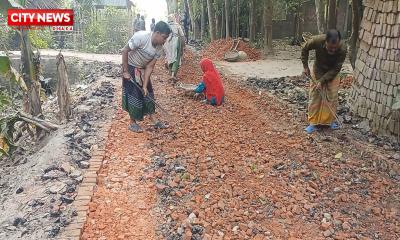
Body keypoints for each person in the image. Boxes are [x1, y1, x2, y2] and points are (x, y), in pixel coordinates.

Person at [121, 21, 171, 132]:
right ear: (157, 33)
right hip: (130, 66)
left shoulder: (159, 47)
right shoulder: (141, 37)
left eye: (166, 38)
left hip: (143, 69)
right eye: (164, 37)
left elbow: (150, 67)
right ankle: (132, 123)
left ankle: (154, 120)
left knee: (148, 92)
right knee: (134, 94)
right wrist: (125, 71)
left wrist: (144, 85)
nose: (165, 41)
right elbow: (125, 50)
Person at [301, 29, 347, 134]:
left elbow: (336, 68)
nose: (333, 50)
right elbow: (304, 48)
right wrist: (305, 66)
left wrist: (322, 81)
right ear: (325, 41)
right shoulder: (317, 40)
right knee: (315, 95)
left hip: (332, 72)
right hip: (318, 69)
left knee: (332, 96)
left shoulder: (343, 48)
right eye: (330, 47)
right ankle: (313, 123)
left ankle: (328, 122)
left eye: (335, 48)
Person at [163, 14, 185, 82]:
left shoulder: (165, 26)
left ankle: (170, 73)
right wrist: (183, 45)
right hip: (175, 41)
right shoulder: (177, 25)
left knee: (169, 57)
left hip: (167, 42)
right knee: (176, 58)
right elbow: (182, 36)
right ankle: (173, 75)